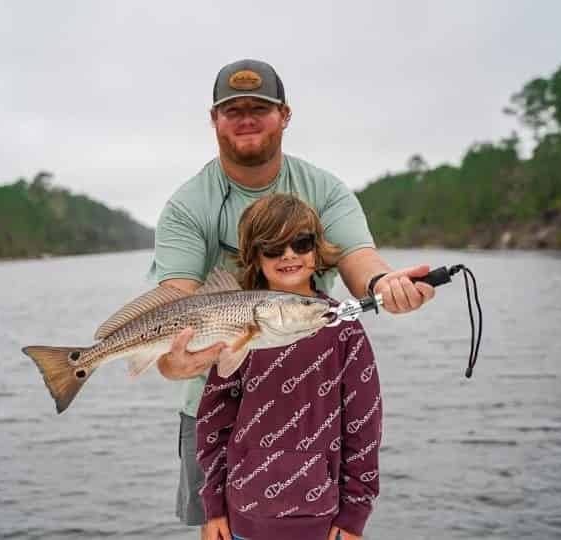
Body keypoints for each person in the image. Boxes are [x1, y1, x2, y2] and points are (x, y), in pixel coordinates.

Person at [147, 58, 434, 535]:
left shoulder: (325, 189)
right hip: (214, 408)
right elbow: (172, 297)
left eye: (259, 107)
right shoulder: (187, 206)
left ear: (284, 114)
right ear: (213, 120)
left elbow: (360, 260)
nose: (245, 118)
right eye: (231, 109)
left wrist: (387, 287)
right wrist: (167, 359)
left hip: (314, 419)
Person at [196, 194, 381, 540]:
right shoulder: (237, 325)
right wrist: (214, 508)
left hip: (322, 524)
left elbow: (364, 426)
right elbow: (213, 421)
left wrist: (355, 514)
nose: (289, 255)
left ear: (316, 250)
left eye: (301, 242)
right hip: (242, 520)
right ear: (254, 255)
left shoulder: (344, 328)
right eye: (273, 247)